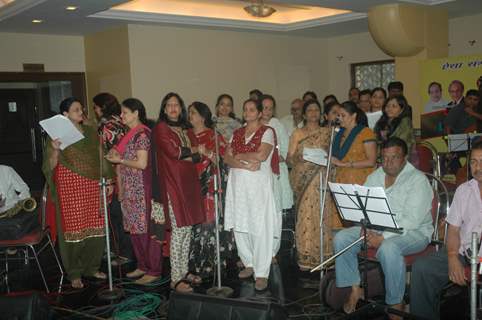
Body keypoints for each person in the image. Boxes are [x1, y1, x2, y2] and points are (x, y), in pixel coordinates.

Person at [334, 138, 434, 317]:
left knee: (388, 248)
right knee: (341, 238)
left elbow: (411, 221)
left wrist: (382, 238)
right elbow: (362, 206)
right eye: (384, 158)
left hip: (415, 232)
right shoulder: (375, 176)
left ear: (404, 158)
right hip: (378, 228)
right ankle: (356, 289)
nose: (388, 163)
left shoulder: (418, 180)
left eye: (394, 158)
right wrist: (364, 226)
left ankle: (396, 303)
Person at [43, 97, 113, 289]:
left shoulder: (91, 132)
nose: (81, 112)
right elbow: (49, 166)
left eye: (81, 109)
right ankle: (74, 272)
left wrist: (108, 180)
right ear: (65, 114)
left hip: (92, 186)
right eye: (75, 110)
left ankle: (91, 267)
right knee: (74, 230)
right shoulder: (55, 136)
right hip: (70, 188)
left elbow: (101, 158)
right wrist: (56, 150)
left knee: (96, 225)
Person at [410, 140, 482, 320]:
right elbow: (453, 229)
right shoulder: (464, 191)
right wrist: (451, 257)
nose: (477, 167)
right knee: (422, 268)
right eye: (473, 161)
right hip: (463, 252)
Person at [224, 99, 280, 291]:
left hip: (258, 186)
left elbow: (262, 156)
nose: (247, 112)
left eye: (251, 110)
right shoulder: (237, 133)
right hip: (237, 184)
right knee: (240, 225)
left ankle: (262, 272)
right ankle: (249, 262)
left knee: (259, 225)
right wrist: (241, 161)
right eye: (245, 109)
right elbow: (226, 157)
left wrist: (238, 156)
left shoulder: (267, 132)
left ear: (258, 113)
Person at [105, 98, 161, 285]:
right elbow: (116, 153)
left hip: (141, 189)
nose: (121, 116)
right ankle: (143, 265)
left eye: (125, 112)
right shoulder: (128, 134)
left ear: (136, 113)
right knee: (135, 230)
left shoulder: (142, 135)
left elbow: (142, 163)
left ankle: (154, 269)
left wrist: (120, 161)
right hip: (130, 188)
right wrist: (115, 157)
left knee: (145, 230)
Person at [154, 92, 205, 293]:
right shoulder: (161, 128)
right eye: (169, 105)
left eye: (176, 105)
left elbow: (197, 158)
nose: (173, 108)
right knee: (179, 230)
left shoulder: (186, 128)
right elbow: (173, 152)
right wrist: (193, 150)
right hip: (172, 184)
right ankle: (175, 279)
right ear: (164, 109)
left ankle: (183, 272)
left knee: (188, 229)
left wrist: (191, 152)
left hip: (189, 184)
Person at [186, 101, 235, 282]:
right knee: (194, 226)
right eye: (189, 112)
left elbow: (222, 160)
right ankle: (194, 265)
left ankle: (211, 263)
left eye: (193, 112)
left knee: (208, 222)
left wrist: (208, 155)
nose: (189, 116)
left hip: (209, 187)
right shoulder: (186, 136)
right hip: (189, 186)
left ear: (203, 116)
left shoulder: (214, 135)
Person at [288, 99, 333, 268]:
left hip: (321, 179)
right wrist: (298, 157)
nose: (313, 113)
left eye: (316, 110)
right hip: (304, 181)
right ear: (305, 114)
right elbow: (289, 159)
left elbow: (333, 156)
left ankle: (325, 257)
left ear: (321, 114)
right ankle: (306, 259)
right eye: (310, 110)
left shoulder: (327, 132)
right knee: (306, 218)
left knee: (322, 216)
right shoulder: (298, 134)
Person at [92, 92, 132, 266]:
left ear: (102, 108)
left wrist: (111, 179)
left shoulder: (107, 126)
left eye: (95, 107)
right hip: (131, 170)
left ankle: (123, 254)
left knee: (116, 215)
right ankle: (126, 253)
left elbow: (108, 155)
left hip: (116, 175)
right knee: (124, 215)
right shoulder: (123, 122)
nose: (94, 110)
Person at [260, 94, 293, 258]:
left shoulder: (277, 125)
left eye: (270, 108)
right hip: (256, 177)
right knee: (259, 214)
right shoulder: (250, 125)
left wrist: (268, 157)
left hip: (275, 174)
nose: (266, 111)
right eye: (264, 107)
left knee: (275, 214)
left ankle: (272, 251)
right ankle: (258, 250)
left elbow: (285, 153)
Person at [332, 101, 377, 187]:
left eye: (343, 115)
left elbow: (371, 161)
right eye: (338, 115)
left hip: (360, 181)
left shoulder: (366, 132)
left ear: (354, 116)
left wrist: (345, 164)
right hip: (339, 180)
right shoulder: (338, 133)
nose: (339, 118)